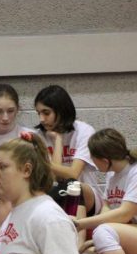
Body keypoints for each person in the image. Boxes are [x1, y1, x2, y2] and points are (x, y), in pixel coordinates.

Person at [32, 85, 101, 215]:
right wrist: (58, 140)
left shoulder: (84, 131)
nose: (41, 119)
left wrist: (43, 164)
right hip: (55, 194)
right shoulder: (39, 135)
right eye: (38, 113)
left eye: (46, 113)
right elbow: (54, 178)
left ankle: (78, 231)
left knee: (72, 185)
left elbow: (73, 174)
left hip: (87, 195)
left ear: (61, 111)